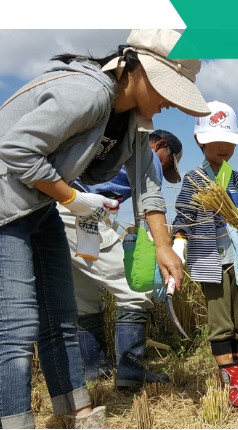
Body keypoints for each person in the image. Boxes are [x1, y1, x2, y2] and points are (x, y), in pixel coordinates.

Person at [0, 29, 209, 429]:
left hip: (37, 204)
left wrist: (163, 245)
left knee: (61, 318)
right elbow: (16, 150)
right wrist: (73, 199)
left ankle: (77, 415)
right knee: (15, 328)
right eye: (170, 88)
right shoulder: (88, 93)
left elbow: (148, 188)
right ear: (137, 69)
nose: (172, 102)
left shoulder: (134, 123)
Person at [60, 129, 183, 388]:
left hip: (59, 208)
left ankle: (95, 370)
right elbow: (148, 207)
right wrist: (159, 248)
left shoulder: (112, 147)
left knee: (85, 299)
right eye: (168, 162)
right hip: (83, 213)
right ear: (160, 146)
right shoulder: (147, 157)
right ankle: (130, 371)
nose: (163, 168)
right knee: (135, 291)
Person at [171, 101, 238, 410]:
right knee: (222, 321)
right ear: (200, 140)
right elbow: (183, 218)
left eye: (229, 141)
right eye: (217, 140)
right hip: (211, 260)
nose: (224, 146)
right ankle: (233, 387)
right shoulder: (195, 179)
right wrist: (177, 248)